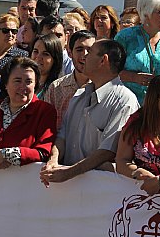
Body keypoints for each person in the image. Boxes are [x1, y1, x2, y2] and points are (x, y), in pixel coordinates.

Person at [40, 39, 139, 186]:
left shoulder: (124, 101)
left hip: (99, 193)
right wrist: (53, 160)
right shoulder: (79, 95)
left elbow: (107, 151)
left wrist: (69, 172)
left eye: (90, 52)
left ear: (103, 60)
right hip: (67, 189)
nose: (84, 56)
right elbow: (62, 136)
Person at [0, 57, 57, 168]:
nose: (23, 87)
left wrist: (5, 155)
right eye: (17, 81)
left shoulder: (45, 112)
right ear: (6, 84)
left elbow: (43, 152)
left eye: (29, 82)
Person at [116, 0, 160, 104]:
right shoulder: (125, 37)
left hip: (159, 106)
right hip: (127, 104)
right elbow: (110, 70)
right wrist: (134, 78)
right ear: (146, 14)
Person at [43, 30, 95, 129]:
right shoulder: (56, 88)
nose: (85, 54)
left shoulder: (103, 87)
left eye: (90, 50)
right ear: (70, 53)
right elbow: (47, 125)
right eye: (79, 49)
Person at [30, 33, 64, 99]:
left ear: (55, 59)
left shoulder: (58, 88)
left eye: (45, 54)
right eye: (35, 51)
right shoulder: (24, 83)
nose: (38, 57)